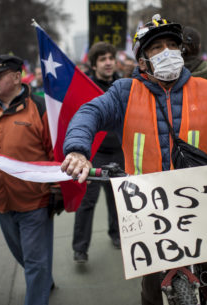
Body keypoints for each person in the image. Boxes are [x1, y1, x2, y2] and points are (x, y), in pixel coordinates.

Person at [61, 14, 207, 305]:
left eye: (172, 45)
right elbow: (88, 114)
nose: (167, 51)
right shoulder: (123, 92)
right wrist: (78, 150)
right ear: (142, 61)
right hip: (149, 209)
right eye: (157, 47)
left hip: (205, 203)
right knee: (153, 293)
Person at [0, 55, 55, 305]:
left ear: (17, 77)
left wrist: (57, 189)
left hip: (33, 202)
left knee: (35, 263)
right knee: (25, 257)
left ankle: (38, 293)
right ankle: (44, 280)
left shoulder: (39, 108)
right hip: (1, 201)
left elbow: (54, 153)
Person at [72, 42, 123, 264]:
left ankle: (117, 235)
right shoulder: (86, 88)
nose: (108, 62)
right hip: (94, 154)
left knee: (117, 199)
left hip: (120, 152)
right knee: (87, 201)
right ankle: (80, 248)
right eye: (102, 59)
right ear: (93, 65)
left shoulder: (123, 85)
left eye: (111, 57)